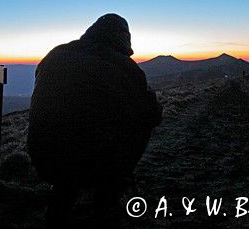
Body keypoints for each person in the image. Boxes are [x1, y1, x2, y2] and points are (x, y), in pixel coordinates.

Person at [27, 14, 162, 227]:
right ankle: (108, 194)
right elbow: (154, 114)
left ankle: (62, 198)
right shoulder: (126, 67)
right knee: (142, 123)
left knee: (71, 133)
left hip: (42, 157)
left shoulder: (55, 54)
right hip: (92, 163)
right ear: (124, 38)